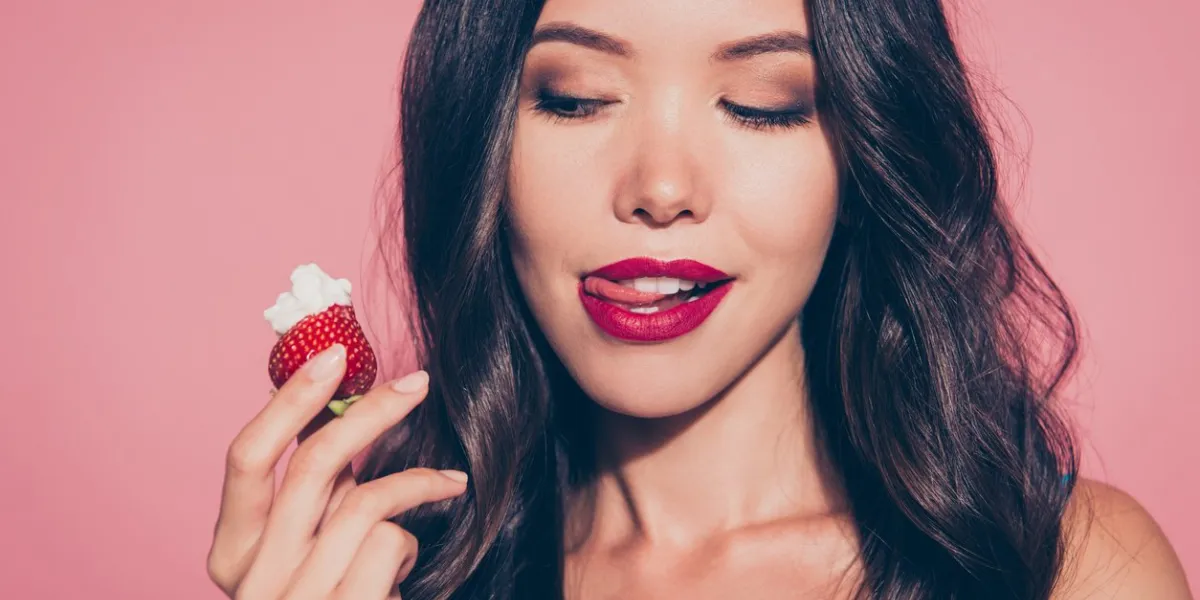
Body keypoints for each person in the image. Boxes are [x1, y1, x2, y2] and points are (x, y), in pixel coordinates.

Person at [206, 0, 1192, 598]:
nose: (662, 186)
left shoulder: (1061, 570)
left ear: (866, 149)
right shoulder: (396, 577)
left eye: (762, 103)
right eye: (576, 95)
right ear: (484, 143)